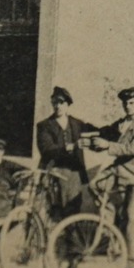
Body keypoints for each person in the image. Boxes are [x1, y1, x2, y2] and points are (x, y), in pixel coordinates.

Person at [87, 87, 134, 268]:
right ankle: (110, 223)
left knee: (132, 215)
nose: (127, 106)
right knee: (95, 185)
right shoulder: (122, 123)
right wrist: (93, 141)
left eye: (132, 103)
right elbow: (106, 134)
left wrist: (108, 146)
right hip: (120, 169)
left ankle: (131, 262)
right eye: (125, 103)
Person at [35, 86, 90, 214]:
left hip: (74, 173)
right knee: (56, 209)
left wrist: (117, 128)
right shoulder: (44, 125)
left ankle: (70, 233)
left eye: (61, 103)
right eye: (55, 103)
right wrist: (71, 146)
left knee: (74, 208)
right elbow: (47, 150)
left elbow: (96, 132)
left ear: (67, 104)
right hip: (54, 171)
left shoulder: (77, 124)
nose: (58, 106)